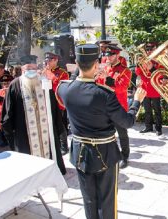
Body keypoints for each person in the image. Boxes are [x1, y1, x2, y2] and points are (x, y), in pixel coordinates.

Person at [56, 44, 146, 219]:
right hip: (104, 153)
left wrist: (80, 72)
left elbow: (71, 82)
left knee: (89, 199)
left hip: (80, 151)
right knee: (107, 201)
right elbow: (127, 122)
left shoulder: (64, 89)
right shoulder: (104, 95)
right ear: (97, 65)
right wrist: (136, 102)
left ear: (76, 63)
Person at [0, 55, 66, 175]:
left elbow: (54, 107)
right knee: (29, 168)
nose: (31, 70)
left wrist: (58, 127)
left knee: (51, 156)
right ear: (22, 69)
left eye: (33, 68)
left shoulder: (45, 82)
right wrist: (9, 132)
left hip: (46, 132)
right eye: (28, 68)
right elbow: (8, 111)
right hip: (25, 134)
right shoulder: (15, 85)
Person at [96, 45, 132, 169]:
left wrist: (107, 78)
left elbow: (121, 88)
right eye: (107, 55)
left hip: (118, 106)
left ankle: (125, 156)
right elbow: (99, 86)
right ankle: (112, 155)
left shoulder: (125, 70)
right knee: (107, 134)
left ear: (117, 55)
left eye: (111, 55)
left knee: (122, 134)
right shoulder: (105, 68)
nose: (108, 57)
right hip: (105, 106)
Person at [44, 52, 70, 155]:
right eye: (47, 60)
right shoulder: (44, 72)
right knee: (51, 124)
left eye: (50, 60)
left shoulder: (63, 73)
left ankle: (64, 147)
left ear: (56, 60)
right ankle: (55, 144)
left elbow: (63, 89)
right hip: (47, 101)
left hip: (58, 103)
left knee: (60, 125)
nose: (48, 62)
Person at [135, 42, 163, 136]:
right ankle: (148, 127)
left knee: (157, 110)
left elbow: (160, 74)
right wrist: (139, 65)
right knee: (147, 110)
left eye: (151, 49)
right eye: (147, 49)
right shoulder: (143, 60)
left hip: (154, 88)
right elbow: (138, 73)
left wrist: (151, 68)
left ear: (155, 49)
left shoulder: (158, 61)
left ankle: (158, 129)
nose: (149, 51)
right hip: (145, 89)